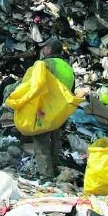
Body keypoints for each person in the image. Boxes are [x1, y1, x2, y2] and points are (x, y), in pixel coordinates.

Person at [31, 38, 75, 182]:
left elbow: (35, 86)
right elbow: (72, 91)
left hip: (45, 108)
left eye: (45, 48)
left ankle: (46, 177)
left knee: (41, 141)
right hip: (60, 111)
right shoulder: (68, 68)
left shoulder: (44, 64)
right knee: (55, 140)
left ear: (49, 50)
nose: (43, 50)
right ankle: (55, 169)